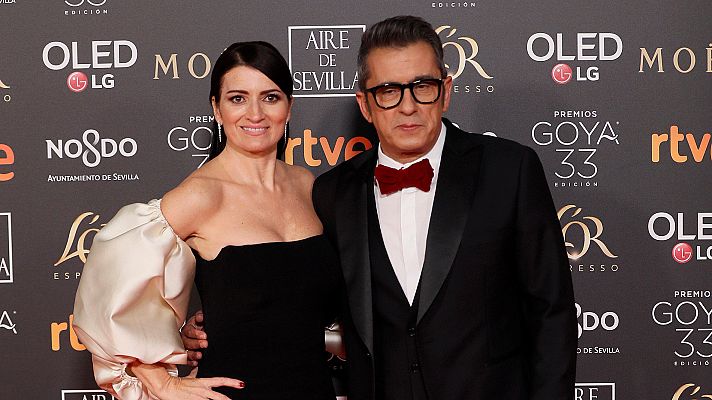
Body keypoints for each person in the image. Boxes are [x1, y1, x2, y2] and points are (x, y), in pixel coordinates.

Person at [183, 16, 577, 400]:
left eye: (422, 86)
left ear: (446, 91)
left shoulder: (509, 170)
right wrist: (215, 323)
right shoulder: (333, 193)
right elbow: (301, 293)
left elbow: (551, 313)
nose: (407, 107)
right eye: (388, 91)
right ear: (365, 104)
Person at [73, 41, 342, 400]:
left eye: (270, 97)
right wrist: (161, 381)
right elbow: (105, 297)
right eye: (237, 98)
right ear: (216, 108)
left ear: (289, 107)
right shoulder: (200, 195)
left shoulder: (308, 185)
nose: (255, 113)